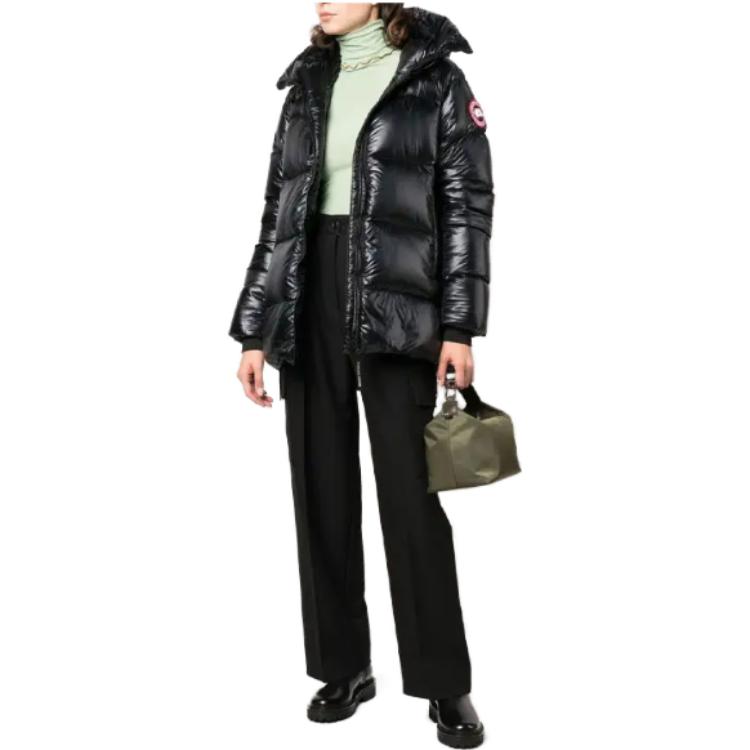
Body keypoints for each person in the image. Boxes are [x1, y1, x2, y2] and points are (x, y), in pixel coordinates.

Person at [229, 4, 493, 747]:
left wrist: (459, 326)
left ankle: (444, 683)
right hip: (307, 293)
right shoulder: (308, 83)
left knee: (412, 498)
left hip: (398, 299)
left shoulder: (436, 80)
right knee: (320, 487)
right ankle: (343, 667)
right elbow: (277, 216)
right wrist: (253, 329)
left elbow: (468, 208)